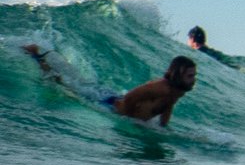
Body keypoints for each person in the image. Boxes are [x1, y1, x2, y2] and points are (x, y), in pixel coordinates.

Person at [23, 45, 196, 126]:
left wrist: (163, 127)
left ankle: (48, 56)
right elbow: (131, 97)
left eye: (194, 75)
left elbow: (168, 105)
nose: (194, 79)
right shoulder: (161, 87)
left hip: (111, 98)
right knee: (63, 85)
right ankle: (37, 55)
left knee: (77, 81)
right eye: (190, 76)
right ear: (178, 74)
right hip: (108, 103)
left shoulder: (178, 90)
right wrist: (125, 117)